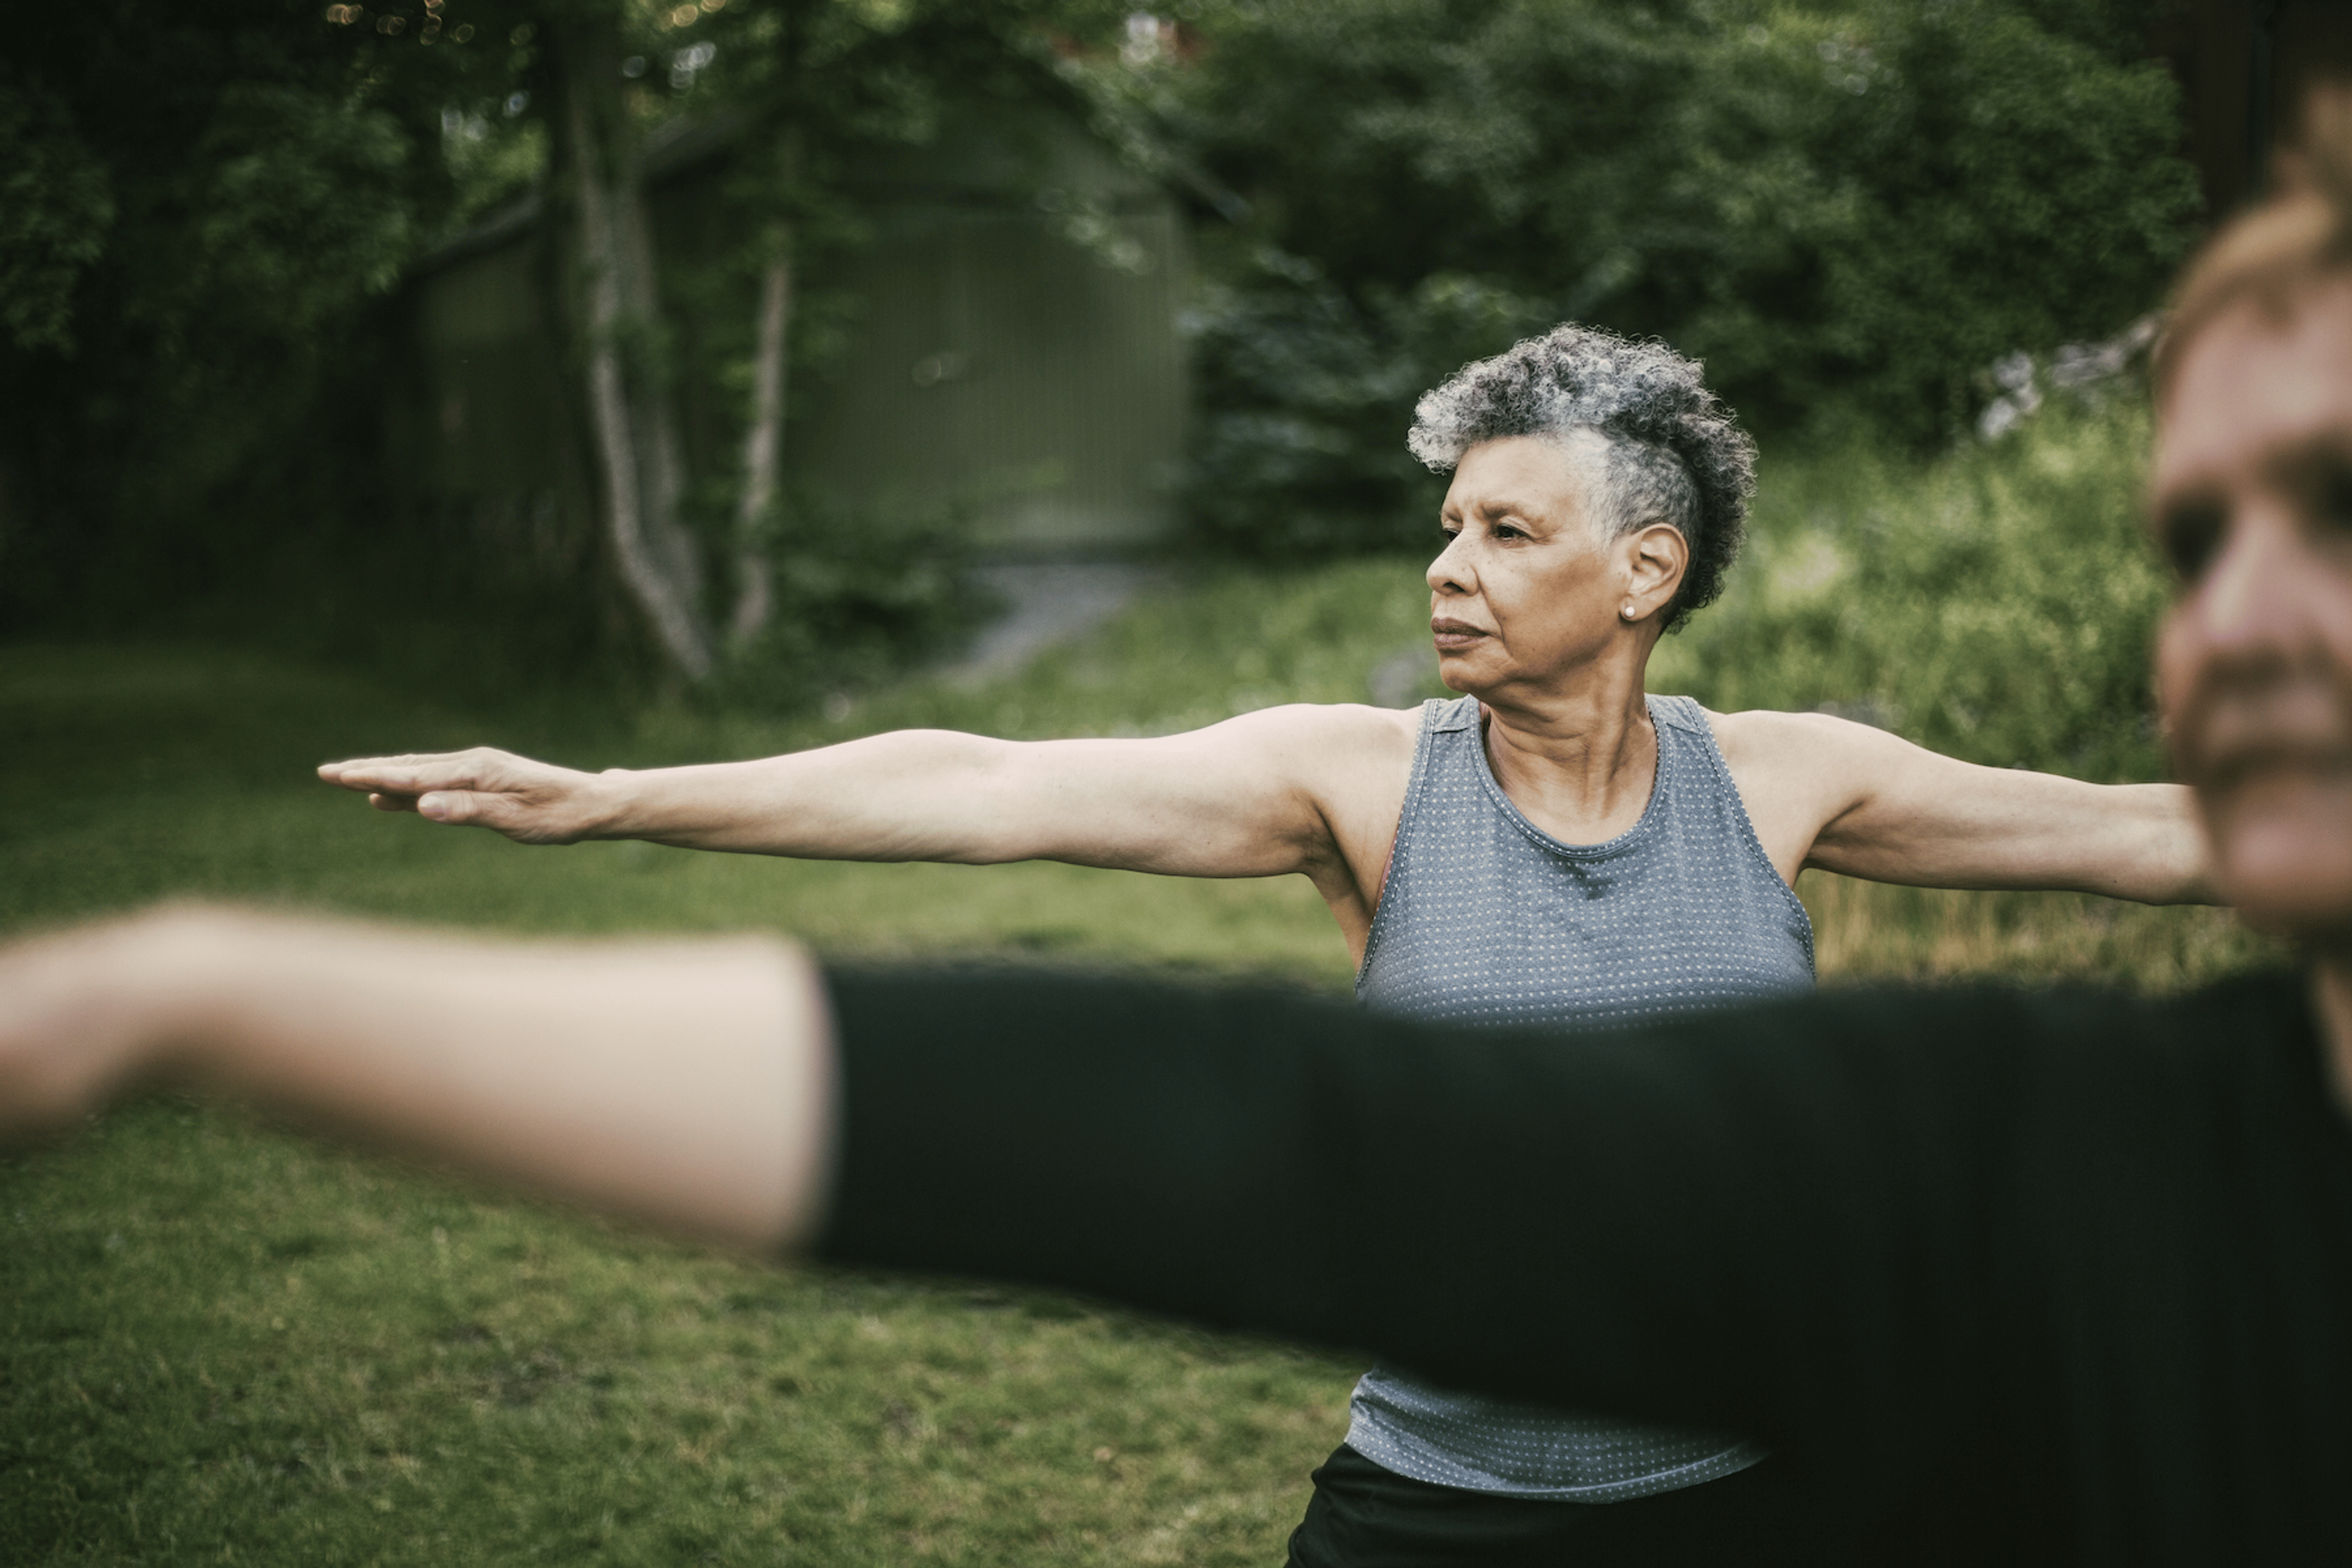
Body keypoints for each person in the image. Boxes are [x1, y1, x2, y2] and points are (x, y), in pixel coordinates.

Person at [4, 146, 2352, 1562]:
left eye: (1508, 530)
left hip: (1770, 1497)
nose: (1448, 565)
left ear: (1643, 574)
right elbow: (979, 787)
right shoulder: (1355, 783)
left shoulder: (1792, 784)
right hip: (1444, 1516)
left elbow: (2172, 834)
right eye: (1443, 523)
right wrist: (614, 796)